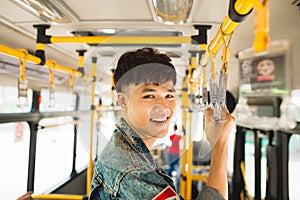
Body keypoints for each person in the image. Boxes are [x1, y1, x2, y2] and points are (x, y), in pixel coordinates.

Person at [90, 47, 235, 200]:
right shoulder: (133, 171)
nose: (164, 106)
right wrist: (220, 144)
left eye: (169, 95)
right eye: (149, 96)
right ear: (123, 101)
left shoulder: (126, 150)